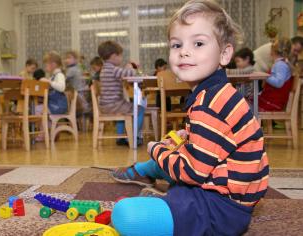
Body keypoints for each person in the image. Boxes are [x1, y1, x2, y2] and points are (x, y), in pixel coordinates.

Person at [110, 1, 269, 235]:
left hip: (221, 209)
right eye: (176, 44)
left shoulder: (209, 104)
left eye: (198, 43)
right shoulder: (214, 92)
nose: (184, 51)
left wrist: (156, 149)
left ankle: (155, 187)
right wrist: (187, 138)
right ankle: (149, 179)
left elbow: (194, 172)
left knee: (125, 215)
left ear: (224, 53)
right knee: (176, 151)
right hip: (224, 190)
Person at [98, 41, 145, 146]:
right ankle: (134, 137)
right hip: (114, 105)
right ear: (114, 56)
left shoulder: (105, 69)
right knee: (139, 108)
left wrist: (127, 68)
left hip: (106, 105)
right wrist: (130, 67)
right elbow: (129, 73)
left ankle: (120, 137)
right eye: (120, 56)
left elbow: (123, 74)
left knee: (124, 110)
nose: (121, 58)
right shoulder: (112, 69)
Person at [259, 38, 293, 111]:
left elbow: (278, 83)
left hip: (274, 101)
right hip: (272, 98)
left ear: (273, 51)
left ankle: (251, 122)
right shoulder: (280, 63)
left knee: (245, 102)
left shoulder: (280, 65)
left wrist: (265, 76)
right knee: (249, 100)